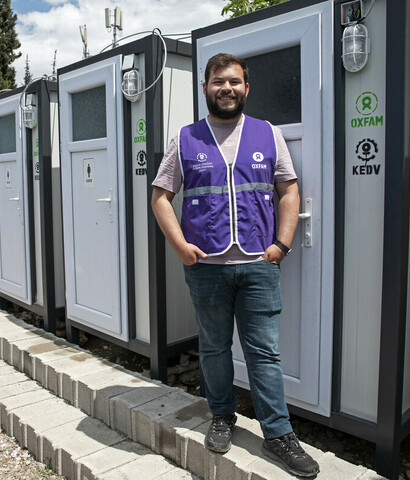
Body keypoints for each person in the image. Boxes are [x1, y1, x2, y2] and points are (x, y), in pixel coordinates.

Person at [150, 53, 319, 478]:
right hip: (206, 267)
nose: (227, 88)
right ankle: (222, 416)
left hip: (260, 266)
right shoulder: (186, 138)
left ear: (247, 88)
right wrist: (180, 246)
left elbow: (289, 191)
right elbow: (160, 197)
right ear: (205, 88)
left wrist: (282, 244)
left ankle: (278, 434)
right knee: (214, 347)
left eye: (235, 82)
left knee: (264, 352)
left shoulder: (268, 134)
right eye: (218, 82)